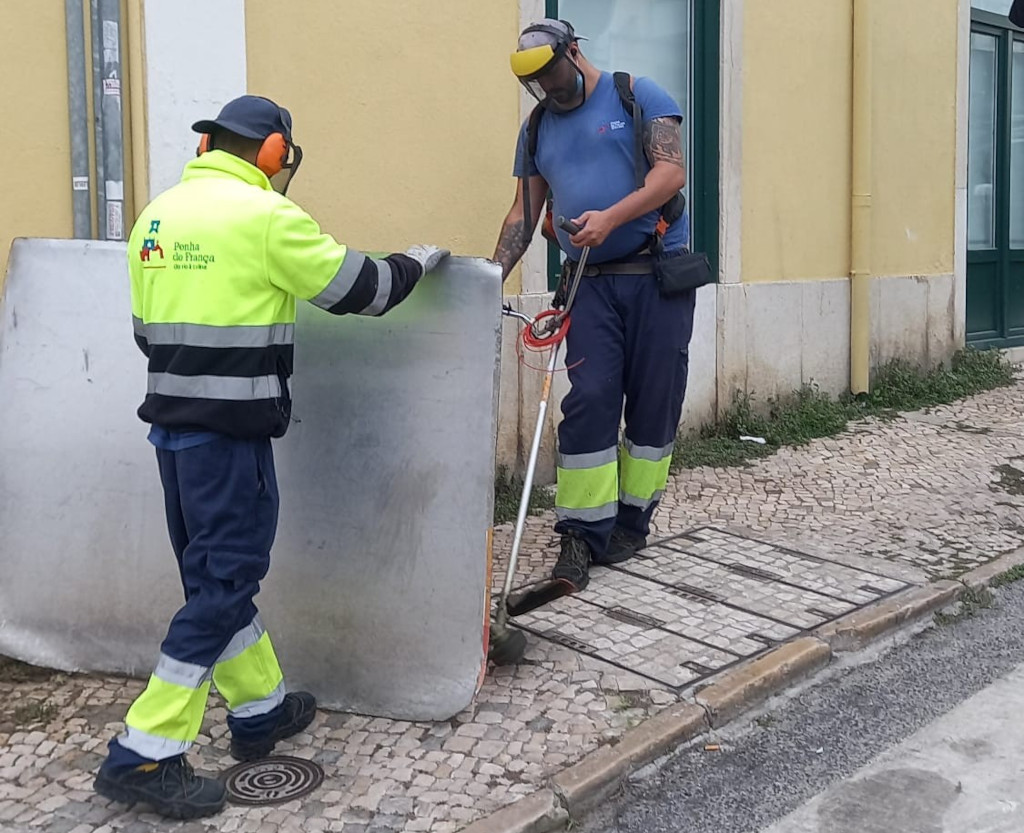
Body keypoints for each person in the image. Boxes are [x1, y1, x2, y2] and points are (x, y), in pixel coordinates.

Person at [93, 94, 449, 819]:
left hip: (172, 434)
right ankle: (144, 751)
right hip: (231, 441)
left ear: (207, 148)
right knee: (223, 586)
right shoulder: (264, 217)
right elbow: (362, 290)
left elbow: (145, 332)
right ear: (269, 151)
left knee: (213, 579)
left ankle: (259, 709)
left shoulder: (155, 218)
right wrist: (417, 263)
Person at [492, 20, 697, 593]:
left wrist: (612, 217)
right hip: (590, 281)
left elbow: (671, 172)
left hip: (656, 274)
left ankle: (632, 522)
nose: (549, 92)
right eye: (536, 85)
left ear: (574, 52)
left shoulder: (638, 94)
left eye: (553, 76)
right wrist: (489, 280)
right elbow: (522, 215)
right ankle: (580, 534)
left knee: (655, 405)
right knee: (591, 400)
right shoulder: (535, 130)